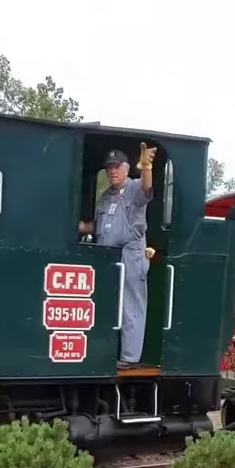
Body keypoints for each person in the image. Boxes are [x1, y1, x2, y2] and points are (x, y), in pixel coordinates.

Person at [77, 144, 156, 368]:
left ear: (126, 168)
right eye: (109, 168)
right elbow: (101, 225)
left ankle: (130, 357)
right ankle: (104, 351)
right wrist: (79, 226)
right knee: (106, 305)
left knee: (131, 305)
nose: (112, 171)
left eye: (117, 167)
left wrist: (146, 166)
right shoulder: (105, 197)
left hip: (130, 254)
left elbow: (147, 188)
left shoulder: (134, 188)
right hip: (106, 256)